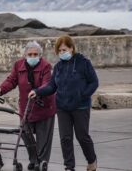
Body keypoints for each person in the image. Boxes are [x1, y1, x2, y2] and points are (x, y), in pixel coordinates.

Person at [28, 35, 98, 171]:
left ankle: (92, 160)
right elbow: (52, 86)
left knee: (82, 137)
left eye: (64, 50)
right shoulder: (59, 67)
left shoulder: (83, 62)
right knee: (65, 138)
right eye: (59, 51)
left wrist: (82, 95)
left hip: (80, 106)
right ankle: (69, 166)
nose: (62, 53)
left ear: (71, 48)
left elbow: (94, 82)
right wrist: (37, 91)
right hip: (62, 107)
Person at [0, 41, 56, 170]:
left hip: (44, 108)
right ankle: (34, 160)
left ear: (40, 55)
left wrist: (37, 91)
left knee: (43, 140)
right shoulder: (19, 65)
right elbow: (11, 80)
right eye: (30, 54)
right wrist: (1, 89)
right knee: (25, 134)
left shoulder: (46, 66)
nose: (33, 57)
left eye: (35, 54)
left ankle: (41, 162)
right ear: (25, 55)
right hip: (26, 108)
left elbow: (47, 84)